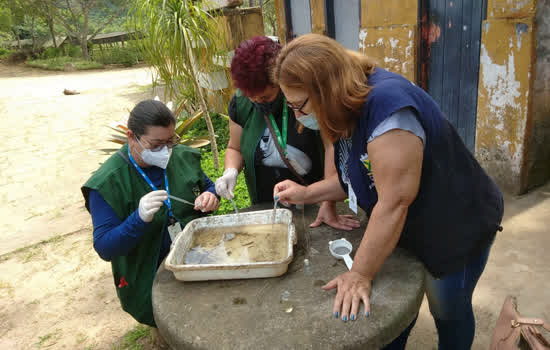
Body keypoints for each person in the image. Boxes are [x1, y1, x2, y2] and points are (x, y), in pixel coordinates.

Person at [272, 34, 504, 349]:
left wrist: (359, 274)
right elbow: (359, 176)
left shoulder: (388, 111)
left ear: (326, 91)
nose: (298, 118)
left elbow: (393, 202)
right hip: (415, 219)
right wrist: (306, 193)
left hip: (456, 222)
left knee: (447, 308)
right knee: (398, 305)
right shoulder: (346, 106)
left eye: (299, 106)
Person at [81, 100, 219, 329]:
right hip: (150, 273)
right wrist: (138, 219)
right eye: (156, 144)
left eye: (170, 141)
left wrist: (211, 196)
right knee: (172, 324)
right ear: (131, 137)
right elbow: (105, 248)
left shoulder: (181, 156)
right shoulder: (107, 182)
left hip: (198, 257)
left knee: (208, 316)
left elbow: (207, 186)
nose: (165, 150)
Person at [215, 35, 359, 230]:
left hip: (313, 200)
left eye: (265, 96)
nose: (258, 101)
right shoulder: (241, 103)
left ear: (280, 80)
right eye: (251, 97)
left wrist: (327, 202)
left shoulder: (303, 97)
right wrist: (230, 171)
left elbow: (331, 147)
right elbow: (235, 147)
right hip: (266, 205)